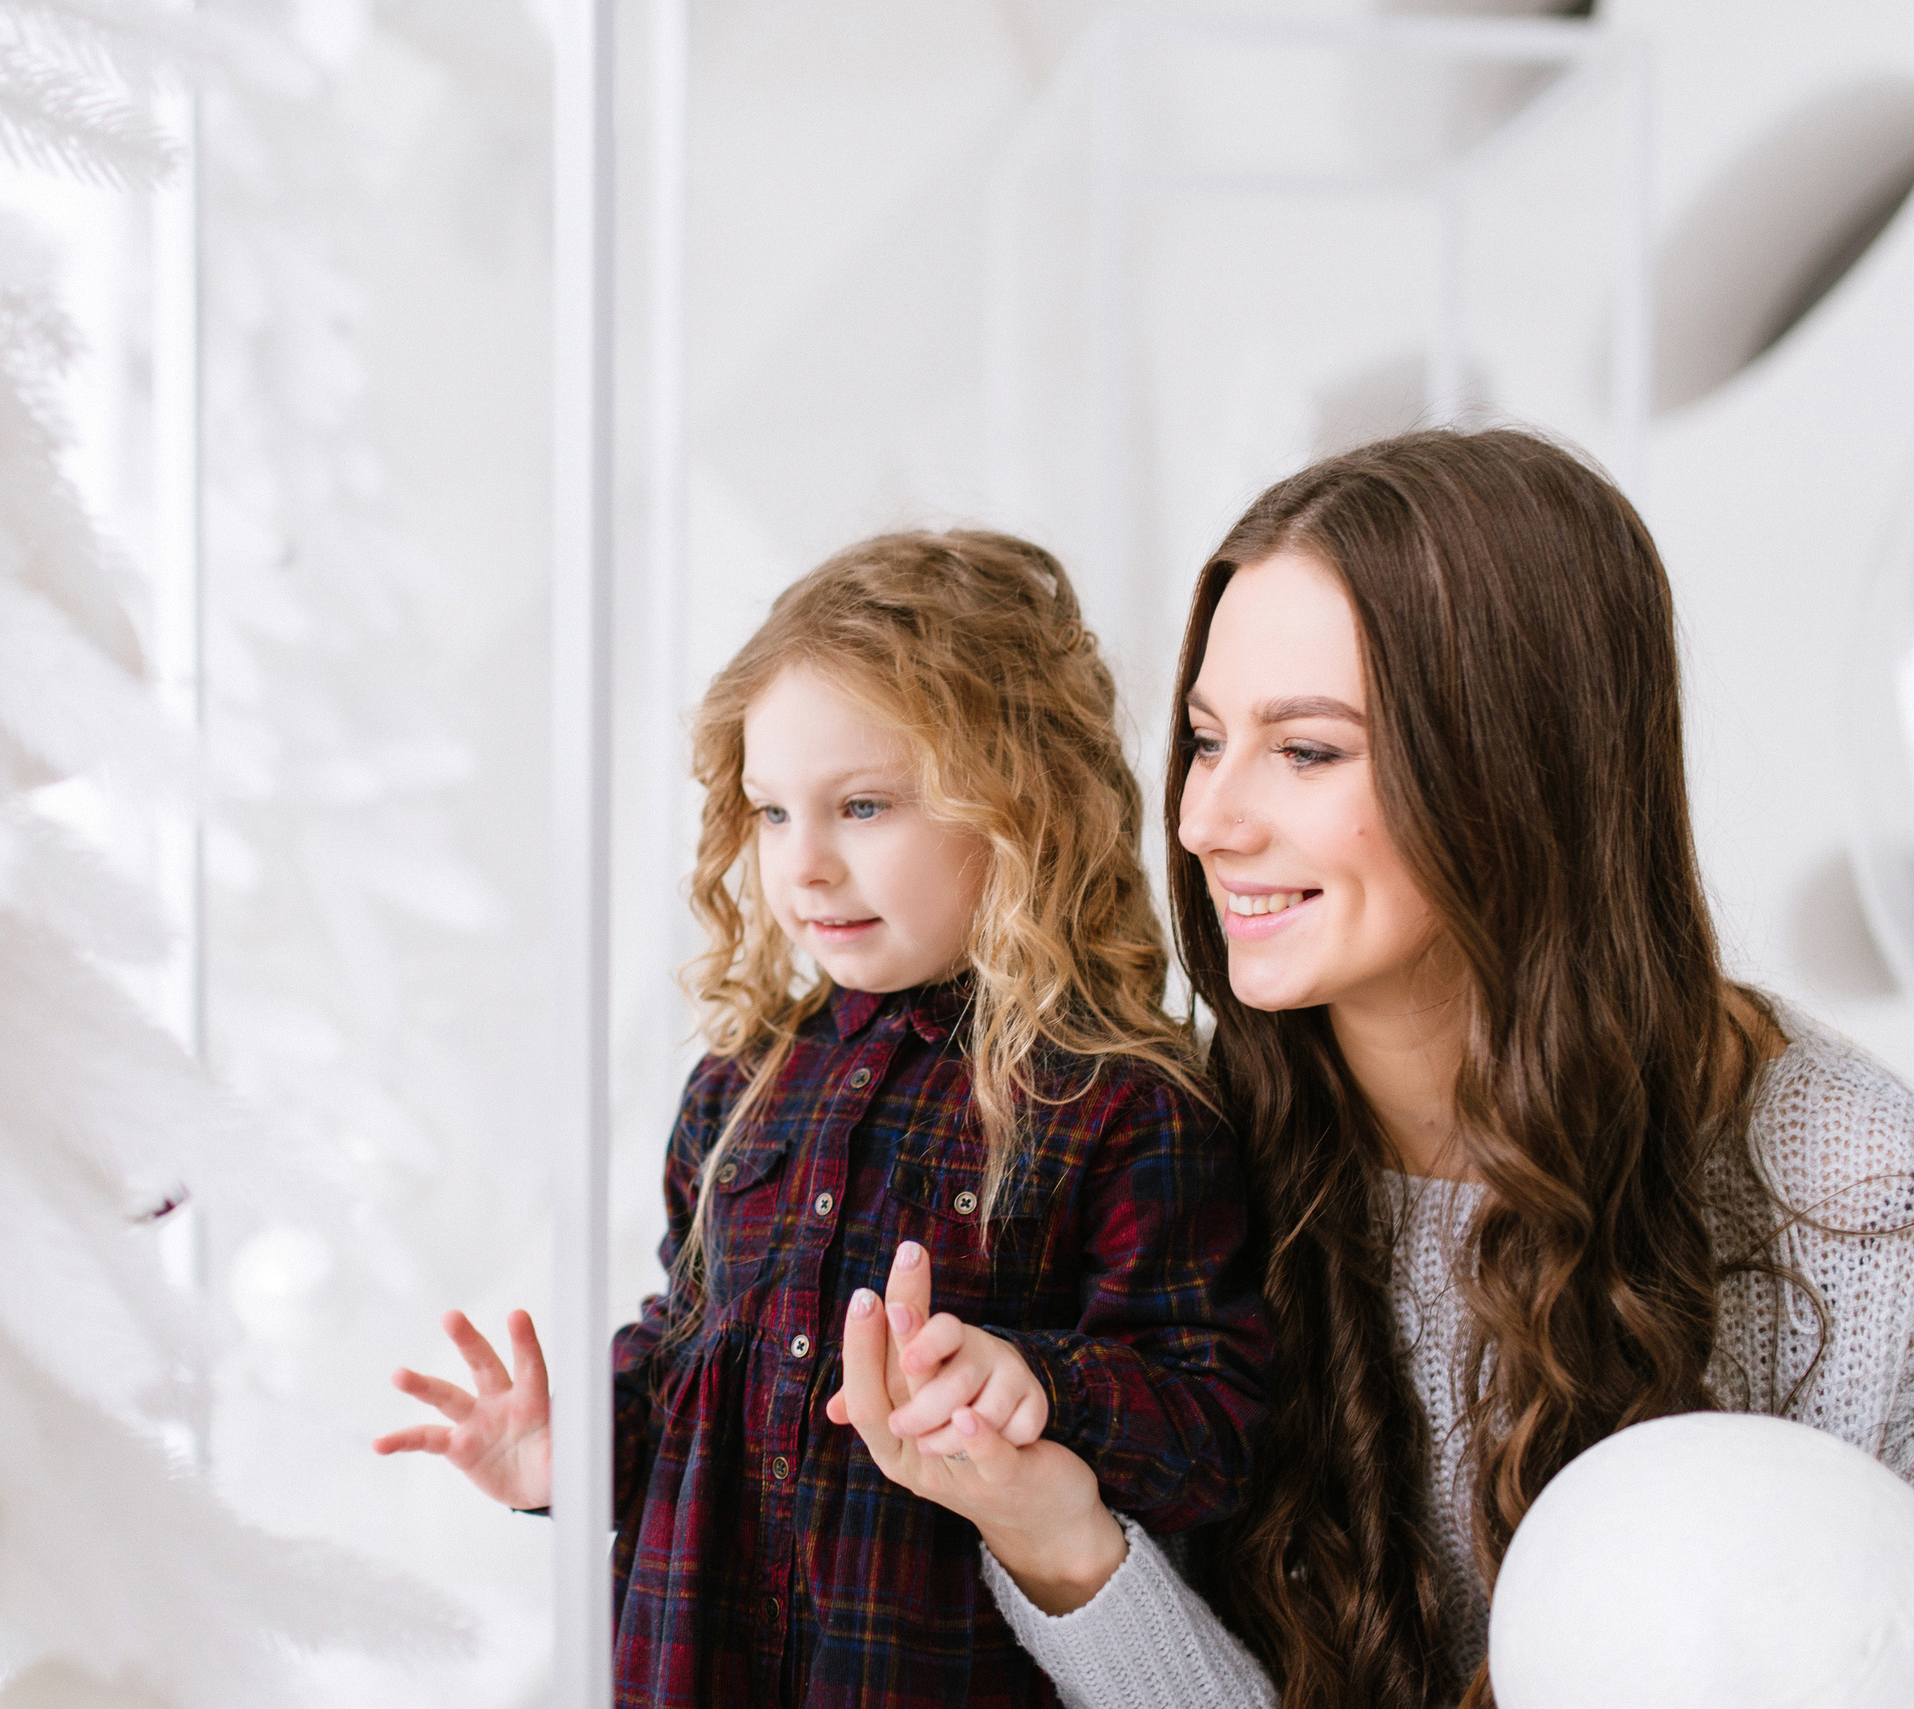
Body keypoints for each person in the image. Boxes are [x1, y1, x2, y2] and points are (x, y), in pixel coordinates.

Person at [833, 431, 1914, 1708]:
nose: (1205, 819)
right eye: (1205, 737)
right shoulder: (1164, 1153)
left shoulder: (1860, 1193)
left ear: (1515, 767)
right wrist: (1059, 1541)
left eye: (1308, 749)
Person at [373, 531, 1272, 1706]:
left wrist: (1038, 1381)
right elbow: (686, 1356)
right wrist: (567, 1453)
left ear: (1020, 803)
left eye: (861, 805)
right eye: (769, 813)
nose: (804, 865)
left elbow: (1217, 1427)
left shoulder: (1117, 1103)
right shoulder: (737, 1085)